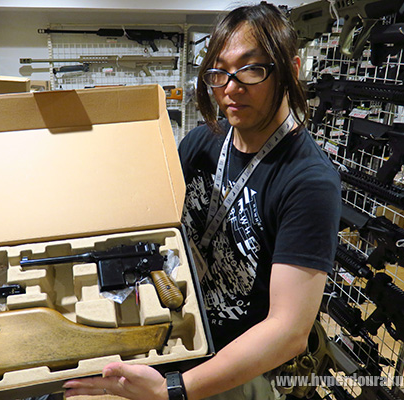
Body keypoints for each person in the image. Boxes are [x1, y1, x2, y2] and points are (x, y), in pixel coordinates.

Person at [63, 3, 341, 399]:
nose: (230, 87)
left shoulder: (309, 182)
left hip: (237, 368)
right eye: (219, 72)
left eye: (251, 69)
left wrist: (175, 390)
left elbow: (288, 331)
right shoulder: (203, 142)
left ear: (291, 70)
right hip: (179, 330)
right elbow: (159, 216)